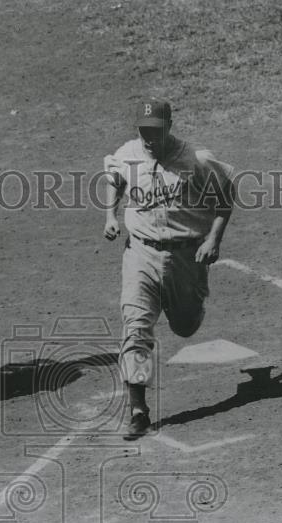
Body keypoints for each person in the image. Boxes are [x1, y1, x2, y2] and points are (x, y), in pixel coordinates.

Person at [102, 98, 235, 439]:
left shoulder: (196, 160)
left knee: (186, 326)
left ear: (169, 127)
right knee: (136, 326)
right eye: (143, 130)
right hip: (140, 254)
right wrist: (110, 216)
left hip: (185, 258)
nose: (148, 137)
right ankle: (138, 410)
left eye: (155, 131)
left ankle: (194, 303)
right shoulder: (127, 154)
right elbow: (114, 180)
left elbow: (224, 199)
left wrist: (214, 241)